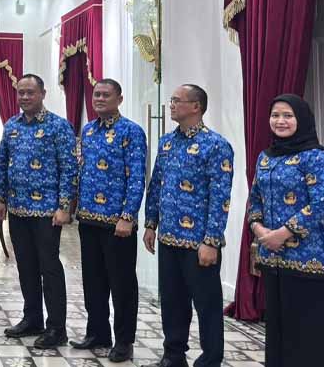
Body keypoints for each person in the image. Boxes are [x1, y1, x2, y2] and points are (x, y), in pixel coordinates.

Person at [142, 84, 233, 367]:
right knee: (172, 302)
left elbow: (220, 197)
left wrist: (212, 241)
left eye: (177, 100)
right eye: (171, 100)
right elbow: (156, 184)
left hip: (199, 242)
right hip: (169, 238)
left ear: (196, 106)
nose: (171, 105)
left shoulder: (216, 145)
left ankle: (210, 360)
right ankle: (173, 355)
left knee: (207, 305)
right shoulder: (167, 142)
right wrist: (151, 223)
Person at [0, 73, 78, 349]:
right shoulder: (11, 125)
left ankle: (57, 328)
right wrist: (0, 198)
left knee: (49, 268)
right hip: (18, 209)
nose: (25, 97)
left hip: (46, 212)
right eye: (21, 92)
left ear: (43, 94)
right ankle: (32, 318)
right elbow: (1, 164)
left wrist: (64, 207)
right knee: (26, 267)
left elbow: (69, 169)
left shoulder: (58, 126)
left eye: (30, 92)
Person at [247, 94, 324, 367]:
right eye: (275, 115)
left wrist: (283, 233)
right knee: (277, 329)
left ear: (301, 119)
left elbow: (320, 203)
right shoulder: (265, 158)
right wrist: (259, 230)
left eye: (288, 116)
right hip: (272, 258)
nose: (280, 121)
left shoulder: (315, 157)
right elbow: (255, 199)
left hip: (307, 260)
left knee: (304, 332)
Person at [73, 79, 146, 363]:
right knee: (93, 281)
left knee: (122, 284)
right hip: (88, 218)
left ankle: (124, 341)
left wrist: (128, 216)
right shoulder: (89, 130)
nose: (100, 99)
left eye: (106, 95)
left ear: (119, 99)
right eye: (96, 94)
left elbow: (137, 177)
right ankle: (97, 333)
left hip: (118, 223)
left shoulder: (131, 131)